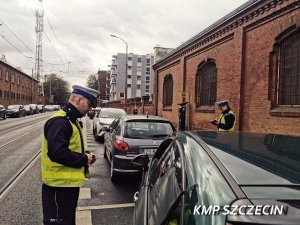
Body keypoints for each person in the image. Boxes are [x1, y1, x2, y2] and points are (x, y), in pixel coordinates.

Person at [41, 85, 100, 225]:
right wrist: (84, 158)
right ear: (78, 100)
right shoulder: (61, 121)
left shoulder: (70, 120)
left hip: (65, 188)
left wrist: (85, 155)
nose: (90, 109)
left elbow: (67, 147)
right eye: (89, 104)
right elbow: (57, 153)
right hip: (58, 188)